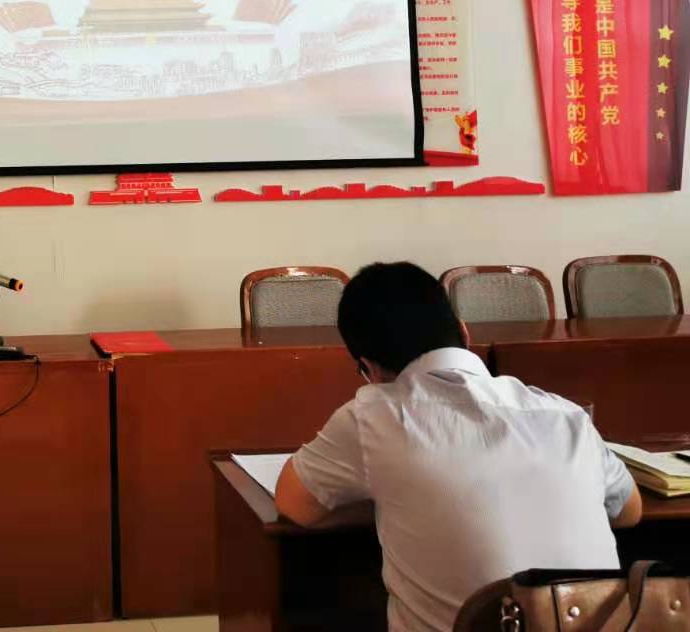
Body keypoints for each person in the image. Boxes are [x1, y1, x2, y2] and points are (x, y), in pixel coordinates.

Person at [275, 262, 642, 632]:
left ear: (368, 369)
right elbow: (629, 511)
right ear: (465, 333)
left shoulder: (373, 417)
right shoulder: (565, 415)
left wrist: (393, 498)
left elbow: (296, 505)